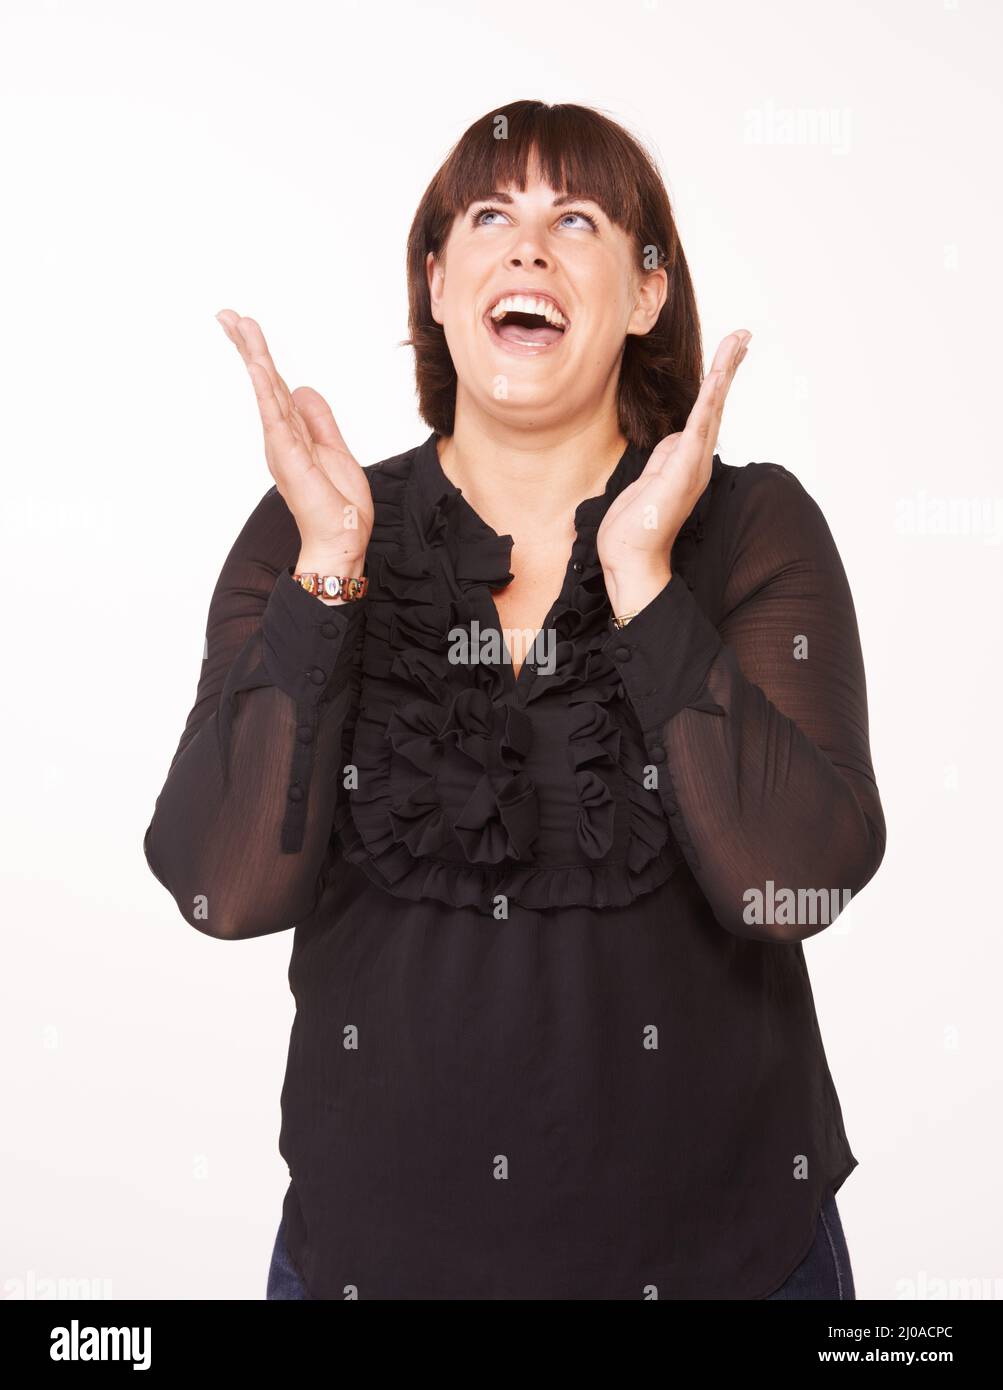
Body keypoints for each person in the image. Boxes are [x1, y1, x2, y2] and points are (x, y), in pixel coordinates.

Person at [143, 100, 886, 1301]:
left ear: (646, 294)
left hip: (728, 1268)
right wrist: (330, 562)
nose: (527, 246)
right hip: (373, 1271)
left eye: (575, 219)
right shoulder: (310, 526)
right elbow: (219, 887)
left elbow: (788, 880)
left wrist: (644, 578)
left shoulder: (753, 528)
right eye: (490, 215)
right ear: (437, 285)